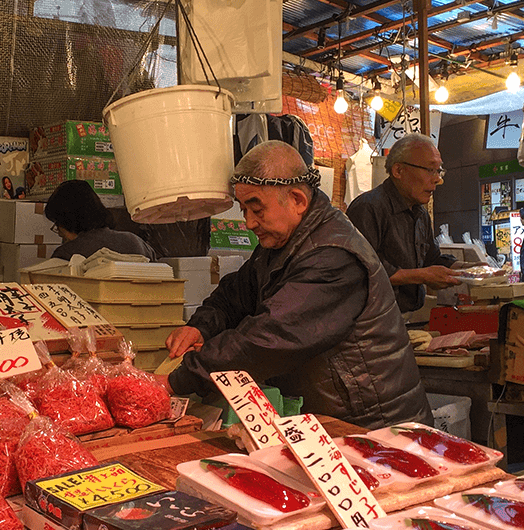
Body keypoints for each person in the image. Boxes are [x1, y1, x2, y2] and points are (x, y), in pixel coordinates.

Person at [165, 141, 431, 428]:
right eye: (244, 211)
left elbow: (268, 338)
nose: (249, 223)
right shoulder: (282, 242)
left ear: (297, 200)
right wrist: (200, 326)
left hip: (377, 429)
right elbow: (235, 293)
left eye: (257, 209)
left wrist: (177, 381)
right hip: (326, 421)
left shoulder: (334, 256)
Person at [346, 133, 461, 315]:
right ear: (398, 171)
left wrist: (470, 270)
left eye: (439, 171)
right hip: (372, 321)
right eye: (430, 170)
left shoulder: (421, 213)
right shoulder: (368, 207)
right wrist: (422, 275)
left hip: (409, 316)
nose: (437, 179)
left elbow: (431, 259)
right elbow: (363, 269)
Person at [44, 179, 158, 260]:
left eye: (57, 223)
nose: (59, 233)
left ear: (67, 221)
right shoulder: (136, 243)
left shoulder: (66, 254)